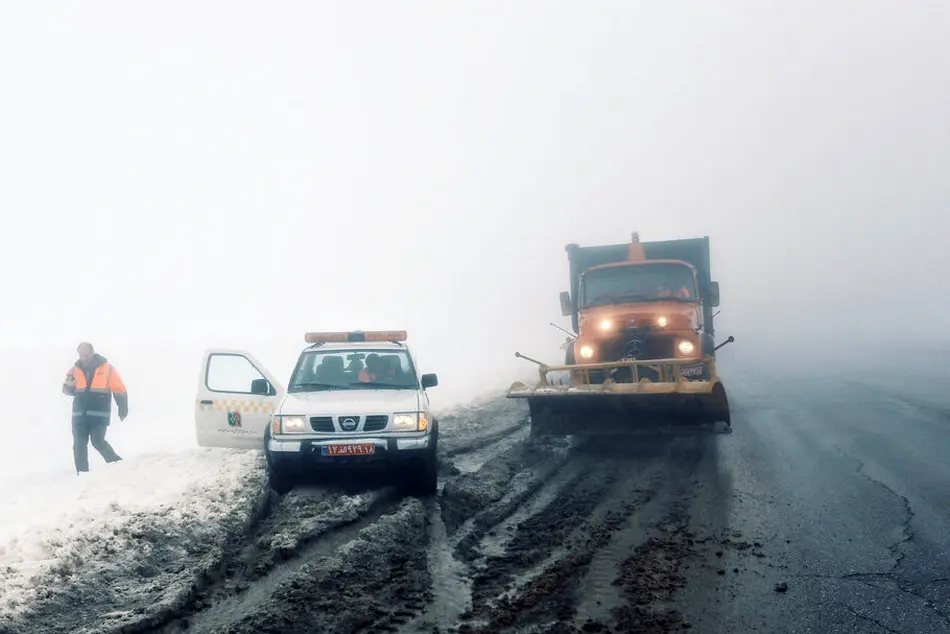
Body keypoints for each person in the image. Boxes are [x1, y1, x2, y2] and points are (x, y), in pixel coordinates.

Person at [62, 342, 128, 474]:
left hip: (99, 414)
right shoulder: (74, 370)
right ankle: (82, 473)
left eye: (86, 354)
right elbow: (66, 390)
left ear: (92, 353)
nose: (84, 357)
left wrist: (123, 408)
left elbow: (119, 389)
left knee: (97, 441)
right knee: (79, 444)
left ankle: (118, 464)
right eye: (81, 355)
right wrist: (69, 386)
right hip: (79, 414)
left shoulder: (107, 368)